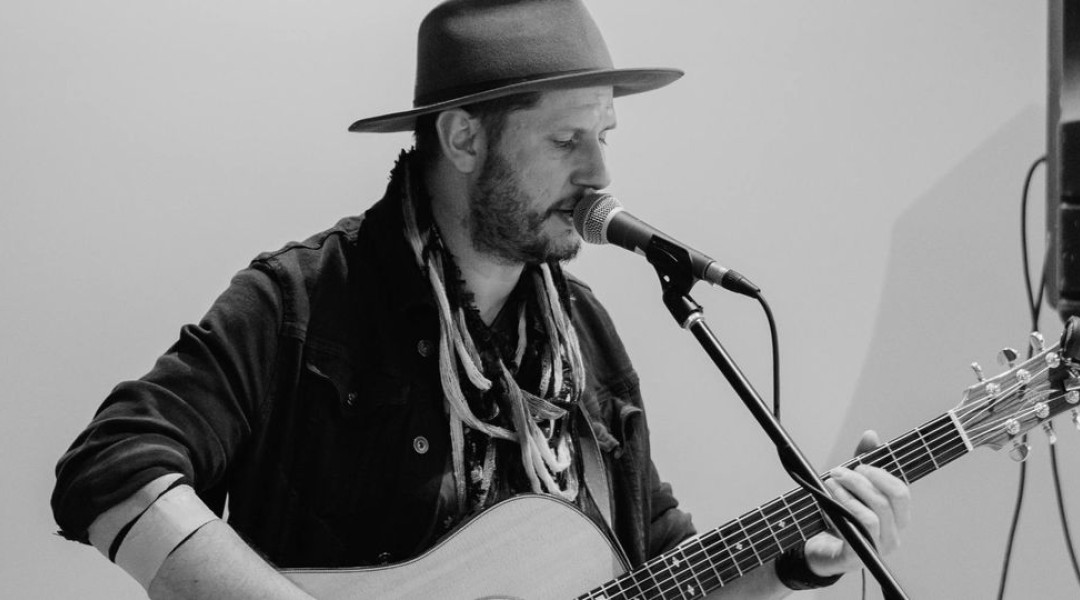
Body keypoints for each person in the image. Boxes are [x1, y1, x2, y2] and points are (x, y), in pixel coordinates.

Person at [51, 1, 910, 598]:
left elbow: (662, 572)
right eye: (567, 139)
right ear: (463, 137)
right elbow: (113, 463)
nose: (601, 174)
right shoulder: (305, 301)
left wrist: (800, 561)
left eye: (605, 136)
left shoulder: (585, 339)